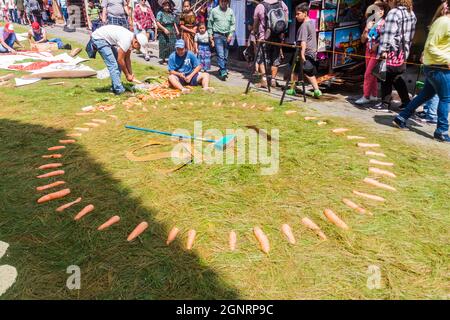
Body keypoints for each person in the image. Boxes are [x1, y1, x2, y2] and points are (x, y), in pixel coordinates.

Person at [393, 0, 450, 142]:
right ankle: (441, 131)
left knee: (425, 95)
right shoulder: (444, 22)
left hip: (436, 66)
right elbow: (431, 45)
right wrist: (447, 59)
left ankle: (401, 117)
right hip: (439, 67)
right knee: (446, 98)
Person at [372, 0, 417, 111]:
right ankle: (406, 102)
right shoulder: (411, 13)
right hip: (402, 51)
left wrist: (383, 50)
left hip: (391, 50)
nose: (387, 2)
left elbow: (388, 34)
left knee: (385, 76)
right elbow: (410, 35)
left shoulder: (394, 13)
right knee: (395, 76)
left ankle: (385, 104)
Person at [91, 24, 147, 94]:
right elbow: (120, 59)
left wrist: (131, 74)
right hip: (99, 38)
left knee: (117, 64)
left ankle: (115, 86)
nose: (136, 49)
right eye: (137, 47)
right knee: (113, 64)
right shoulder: (126, 40)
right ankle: (119, 90)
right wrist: (127, 75)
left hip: (106, 39)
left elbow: (127, 58)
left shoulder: (132, 39)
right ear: (136, 42)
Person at [355, 1, 388, 105]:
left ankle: (366, 96)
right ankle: (373, 95)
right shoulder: (370, 21)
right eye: (378, 9)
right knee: (372, 74)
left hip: (377, 52)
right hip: (368, 50)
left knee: (368, 74)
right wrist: (366, 29)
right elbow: (363, 40)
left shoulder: (385, 22)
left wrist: (377, 45)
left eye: (382, 9)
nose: (380, 11)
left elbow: (387, 39)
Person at [253, 0, 288, 87]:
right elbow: (286, 20)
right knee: (275, 59)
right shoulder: (282, 3)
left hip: (264, 37)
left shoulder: (260, 6)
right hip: (277, 36)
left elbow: (256, 24)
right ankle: (273, 80)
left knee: (262, 59)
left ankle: (264, 80)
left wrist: (254, 33)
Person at [290, 3, 321, 98]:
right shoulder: (311, 23)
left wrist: (302, 54)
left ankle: (292, 89)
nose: (296, 16)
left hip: (304, 52)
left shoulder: (303, 26)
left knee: (302, 71)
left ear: (305, 13)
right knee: (302, 71)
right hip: (310, 51)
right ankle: (316, 91)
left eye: (298, 13)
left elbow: (303, 41)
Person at [207, 0, 235, 80]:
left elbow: (233, 24)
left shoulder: (230, 11)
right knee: (220, 54)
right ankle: (223, 70)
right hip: (217, 35)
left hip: (227, 36)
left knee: (225, 55)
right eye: (222, 1)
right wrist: (210, 35)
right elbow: (210, 24)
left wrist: (230, 35)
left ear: (227, 2)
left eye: (225, 1)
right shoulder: (214, 11)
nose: (223, 3)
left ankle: (222, 68)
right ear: (219, 1)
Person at [156, 0, 178, 64]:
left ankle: (171, 59)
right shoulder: (160, 13)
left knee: (172, 45)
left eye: (168, 6)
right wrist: (164, 29)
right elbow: (158, 23)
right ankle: (163, 59)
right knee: (164, 45)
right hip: (163, 31)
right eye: (165, 6)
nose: (167, 7)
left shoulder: (171, 13)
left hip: (171, 31)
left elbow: (174, 22)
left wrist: (176, 29)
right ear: (162, 6)